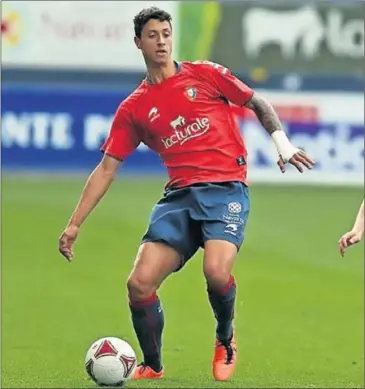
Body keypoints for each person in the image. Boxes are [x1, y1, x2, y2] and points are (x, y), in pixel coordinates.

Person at [58, 7, 315, 382]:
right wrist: (74, 224)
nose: (161, 41)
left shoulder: (205, 74)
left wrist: (283, 144)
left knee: (215, 270)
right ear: (138, 43)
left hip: (226, 189)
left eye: (166, 33)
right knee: (139, 284)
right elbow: (107, 168)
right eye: (152, 35)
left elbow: (257, 102)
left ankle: (225, 337)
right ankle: (152, 364)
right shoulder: (134, 109)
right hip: (179, 197)